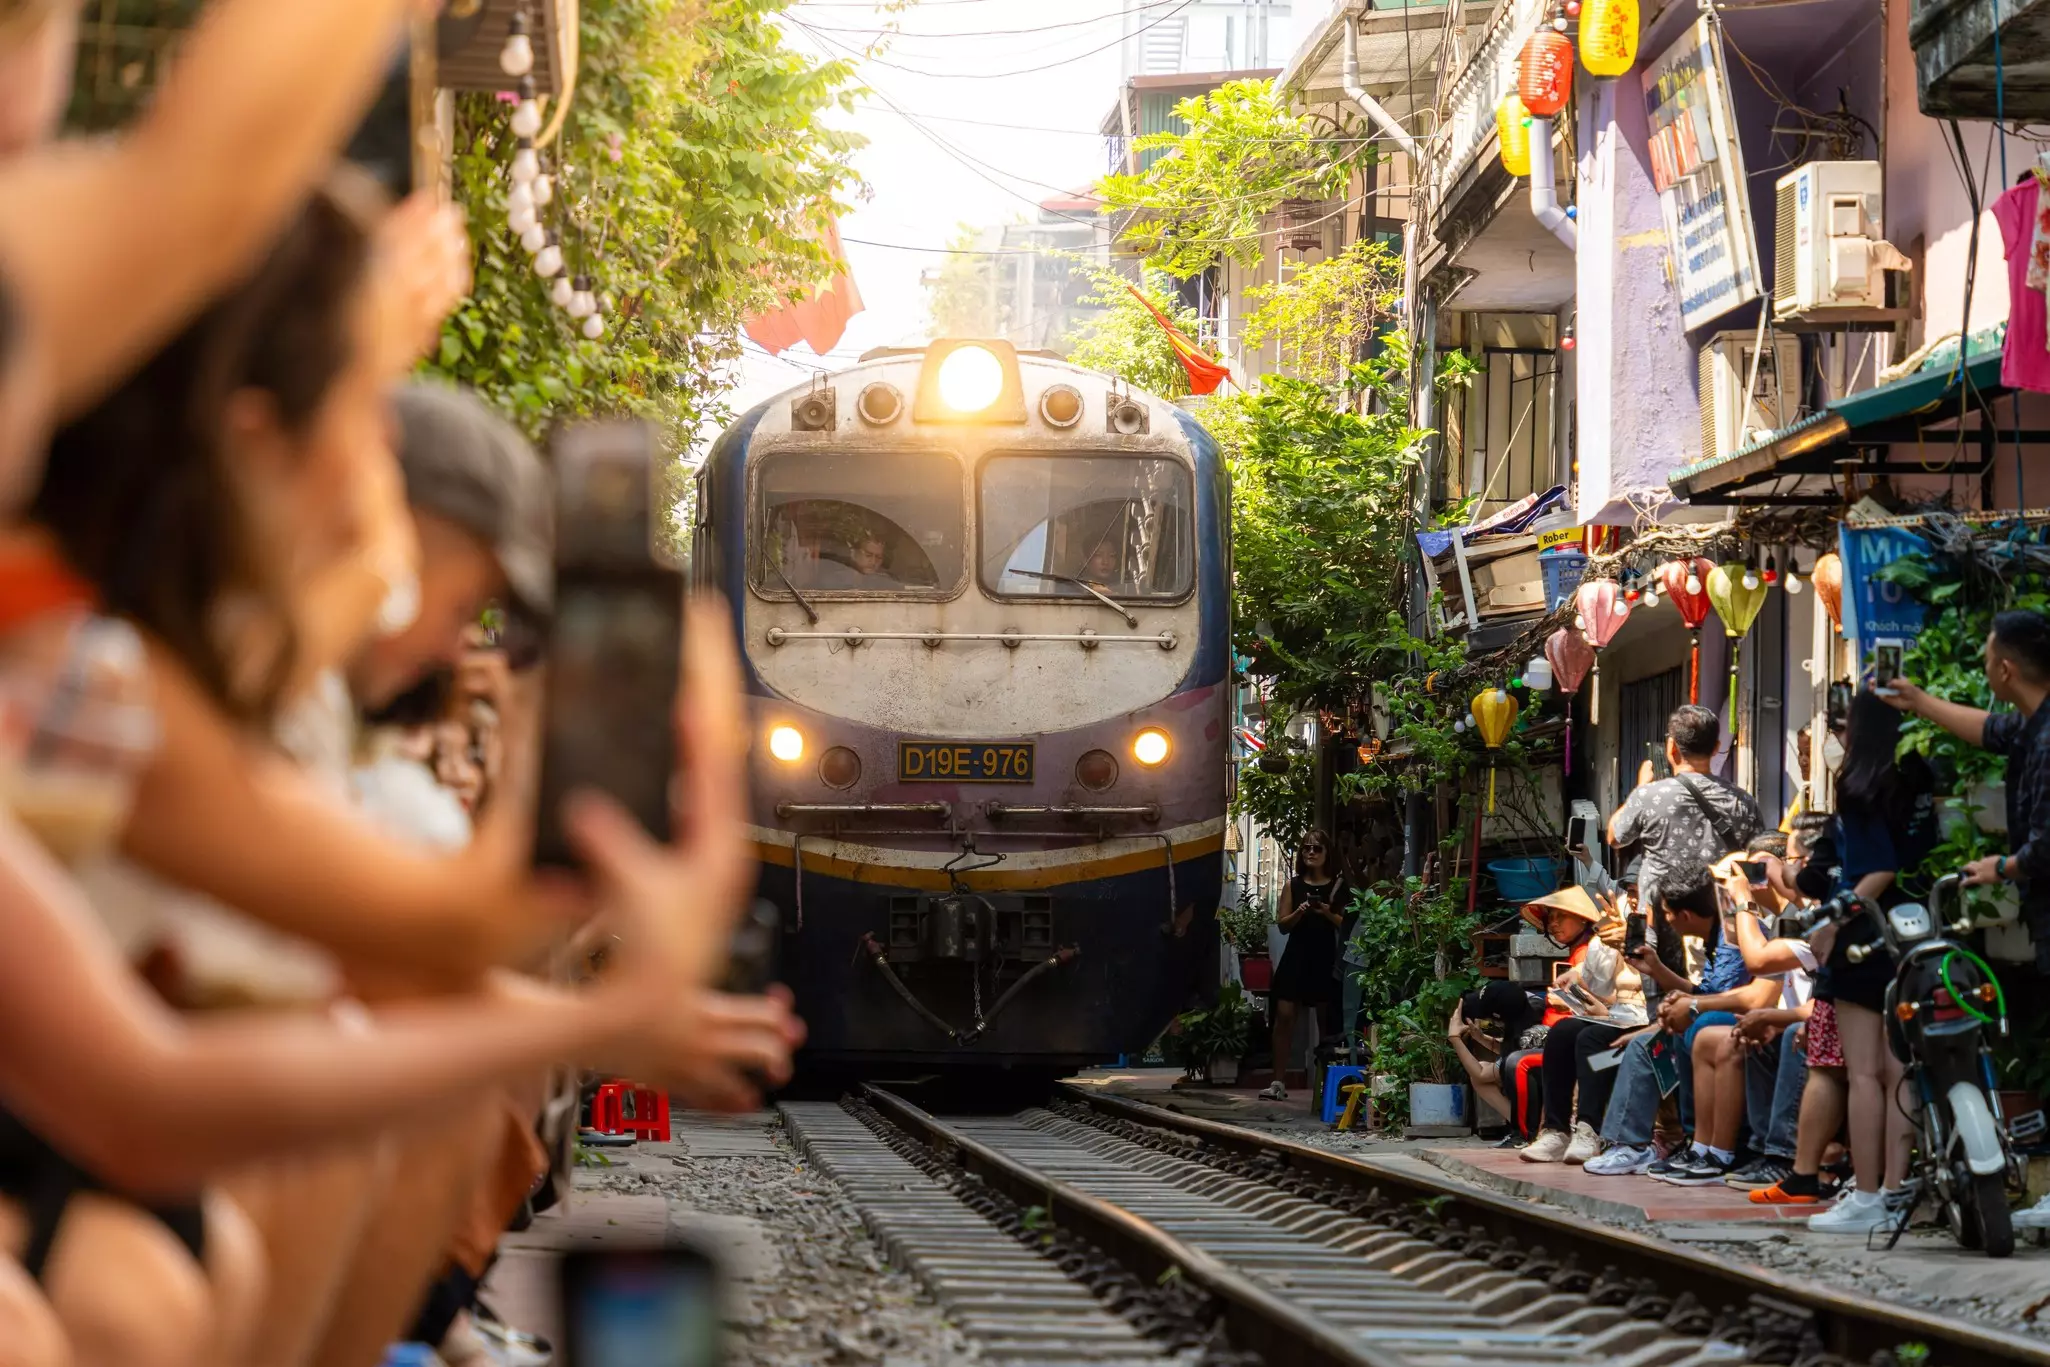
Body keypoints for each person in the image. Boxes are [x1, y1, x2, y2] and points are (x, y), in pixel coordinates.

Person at [1790, 689, 1935, 1232]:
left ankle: (1869, 1195)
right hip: (1919, 933)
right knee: (1902, 1070)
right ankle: (1899, 1189)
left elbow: (1877, 871)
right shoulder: (1920, 778)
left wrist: (1831, 922)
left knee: (1866, 1074)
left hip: (1866, 939)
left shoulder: (1861, 787)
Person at [1582, 870, 1778, 1177]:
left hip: (1733, 1026)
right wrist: (1656, 969)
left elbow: (1724, 1000)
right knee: (1640, 1046)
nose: (1666, 921)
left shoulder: (1735, 934)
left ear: (1684, 915)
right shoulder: (1717, 936)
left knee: (1698, 1027)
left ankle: (1698, 1143)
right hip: (1706, 1018)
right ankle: (1629, 1145)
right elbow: (1704, 994)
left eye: (1667, 914)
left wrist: (1688, 1009)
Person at [1883, 609, 2050, 969]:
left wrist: (2003, 867)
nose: (1985, 668)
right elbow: (1992, 730)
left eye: (1988, 660)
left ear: (2006, 670)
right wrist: (1918, 701)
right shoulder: (2034, 722)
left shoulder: (2047, 741)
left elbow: (2047, 844)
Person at [1607, 705, 1764, 985]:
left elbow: (1615, 837)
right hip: (1720, 923)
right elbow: (1757, 864)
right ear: (1716, 747)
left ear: (1671, 747)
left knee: (1664, 1009)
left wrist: (1639, 788)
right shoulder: (1742, 801)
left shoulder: (1650, 796)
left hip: (1663, 918)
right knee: (1718, 999)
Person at [1521, 887, 1647, 1164]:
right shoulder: (1609, 931)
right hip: (1620, 1017)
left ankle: (1589, 1128)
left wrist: (1631, 942)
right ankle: (1556, 1129)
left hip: (1650, 1021)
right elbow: (1600, 982)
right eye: (1632, 894)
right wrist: (1607, 944)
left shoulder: (1663, 926)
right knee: (1562, 1033)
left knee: (1590, 1040)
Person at [1260, 831, 1348, 1101]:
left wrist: (1325, 911)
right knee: (1284, 1015)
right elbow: (1282, 925)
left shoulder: (1337, 885)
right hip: (1296, 954)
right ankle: (1278, 1081)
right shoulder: (1293, 885)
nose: (1310, 852)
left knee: (1325, 1019)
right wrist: (1300, 911)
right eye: (1306, 848)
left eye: (1317, 848)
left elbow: (1346, 924)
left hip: (1324, 955)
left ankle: (1325, 1085)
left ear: (1326, 854)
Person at [1446, 982, 1548, 1140]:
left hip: (1555, 1105)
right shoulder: (1531, 1016)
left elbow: (1480, 1074)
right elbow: (1511, 1050)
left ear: (1499, 1018)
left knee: (1483, 1074)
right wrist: (1481, 1038)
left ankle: (1524, 1129)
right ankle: (1525, 1125)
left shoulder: (1527, 1039)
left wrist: (1455, 1038)